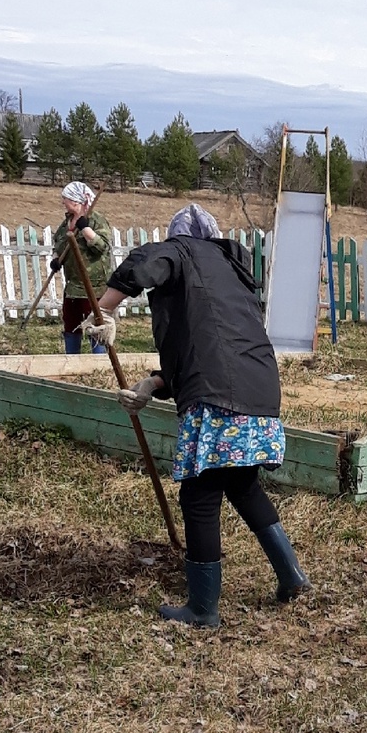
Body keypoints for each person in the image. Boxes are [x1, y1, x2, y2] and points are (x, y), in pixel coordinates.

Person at [94, 203, 308, 629]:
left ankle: (203, 608)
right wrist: (152, 386)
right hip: (259, 388)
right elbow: (212, 348)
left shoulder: (182, 253)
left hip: (219, 398)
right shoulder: (228, 274)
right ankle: (292, 577)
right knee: (243, 485)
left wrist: (105, 309)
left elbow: (143, 264)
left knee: (200, 496)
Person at [51, 182, 114, 353]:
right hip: (73, 286)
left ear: (76, 200)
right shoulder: (67, 222)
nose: (63, 202)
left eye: (66, 198)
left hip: (93, 285)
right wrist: (56, 259)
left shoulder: (96, 220)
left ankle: (98, 362)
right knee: (71, 324)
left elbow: (102, 247)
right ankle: (72, 359)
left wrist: (85, 229)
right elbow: (58, 243)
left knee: (96, 325)